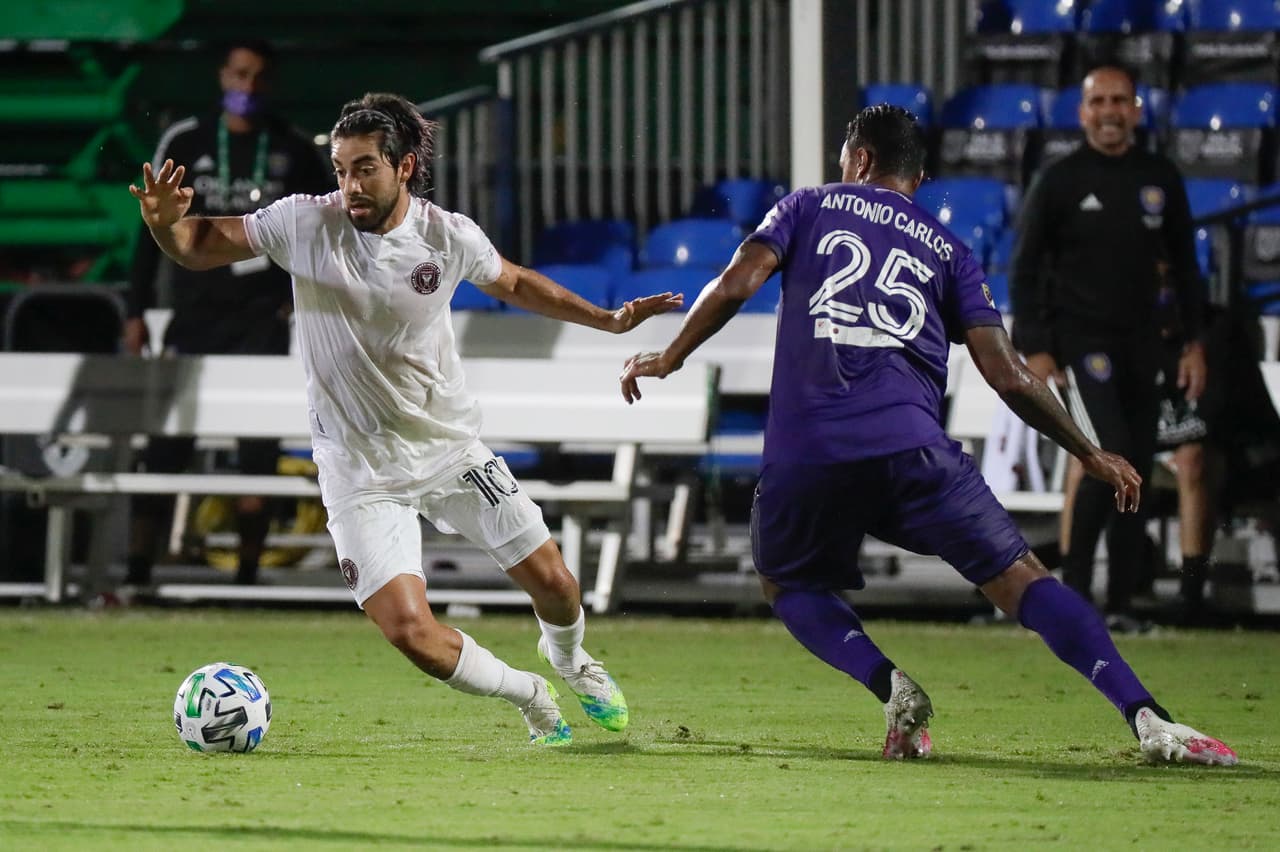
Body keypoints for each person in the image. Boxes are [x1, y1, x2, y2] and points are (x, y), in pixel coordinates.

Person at [618, 104, 1236, 765]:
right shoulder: (951, 251)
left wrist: (672, 355)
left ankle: (891, 685)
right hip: (914, 450)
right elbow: (1009, 375)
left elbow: (737, 282)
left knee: (787, 583)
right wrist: (1090, 450)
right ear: (918, 177)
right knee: (1022, 583)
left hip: (812, 451)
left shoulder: (809, 206)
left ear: (858, 160)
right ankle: (1147, 715)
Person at [129, 91, 684, 744]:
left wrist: (607, 319)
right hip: (358, 469)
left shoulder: (448, 237)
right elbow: (197, 245)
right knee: (411, 634)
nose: (349, 185)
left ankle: (566, 657)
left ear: (405, 166)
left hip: (449, 449)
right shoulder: (302, 223)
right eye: (339, 169)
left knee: (557, 585)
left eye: (364, 167)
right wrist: (165, 225)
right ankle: (530, 696)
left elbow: (515, 282)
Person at [123, 40, 333, 588]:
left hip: (262, 319)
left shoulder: (291, 147)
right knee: (167, 443)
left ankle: (246, 576)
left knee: (256, 448)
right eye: (239, 74)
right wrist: (135, 308)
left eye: (259, 77)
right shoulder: (187, 139)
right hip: (193, 315)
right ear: (222, 76)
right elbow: (150, 231)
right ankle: (139, 568)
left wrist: (300, 300)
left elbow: (323, 234)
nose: (248, 87)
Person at [1008, 65, 1207, 632]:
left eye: (1121, 100)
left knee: (1136, 465)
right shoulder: (1060, 179)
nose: (1111, 111)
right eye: (1099, 101)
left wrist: (1193, 343)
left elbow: (1187, 270)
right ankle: (1073, 598)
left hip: (1146, 344)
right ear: (1083, 112)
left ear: (1137, 110)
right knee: (1107, 455)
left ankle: (1120, 605)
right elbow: (1023, 269)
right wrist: (1038, 349)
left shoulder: (1159, 175)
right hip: (1082, 344)